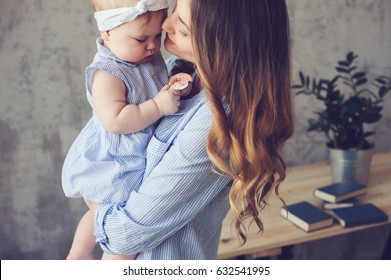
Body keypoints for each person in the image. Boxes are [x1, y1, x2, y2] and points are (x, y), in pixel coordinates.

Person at [85, 0, 294, 259]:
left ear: (224, 46)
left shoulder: (217, 121)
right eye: (173, 11)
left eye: (183, 29)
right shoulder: (178, 72)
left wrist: (91, 197)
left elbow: (122, 234)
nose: (165, 25)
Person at [62, 0, 192, 260]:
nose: (153, 45)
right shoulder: (107, 74)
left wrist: (174, 86)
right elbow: (117, 120)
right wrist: (157, 106)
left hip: (137, 153)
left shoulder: (145, 56)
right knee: (119, 230)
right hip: (114, 159)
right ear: (107, 33)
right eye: (141, 38)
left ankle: (81, 254)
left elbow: (155, 86)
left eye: (157, 36)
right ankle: (81, 253)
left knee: (106, 215)